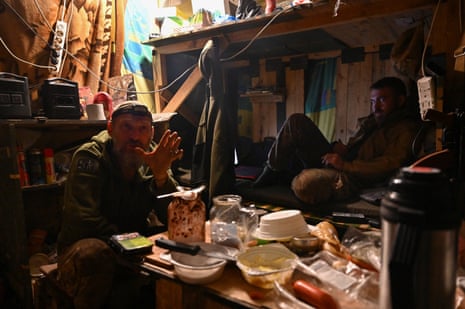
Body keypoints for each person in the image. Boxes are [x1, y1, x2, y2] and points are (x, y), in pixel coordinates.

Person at [56, 101, 183, 308]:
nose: (135, 136)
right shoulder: (90, 157)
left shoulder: (153, 155)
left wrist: (161, 177)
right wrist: (129, 244)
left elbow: (173, 215)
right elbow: (82, 220)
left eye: (142, 129)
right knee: (94, 252)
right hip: (86, 246)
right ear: (110, 128)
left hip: (133, 244)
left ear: (151, 133)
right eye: (126, 127)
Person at [253, 77, 420, 205]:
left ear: (400, 100)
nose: (375, 107)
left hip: (354, 178)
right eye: (373, 101)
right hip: (343, 162)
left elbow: (389, 165)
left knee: (304, 184)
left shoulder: (405, 129)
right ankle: (272, 170)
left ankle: (289, 176)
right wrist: (343, 150)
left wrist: (344, 165)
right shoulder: (372, 122)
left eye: (382, 100)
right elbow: (360, 150)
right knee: (296, 122)